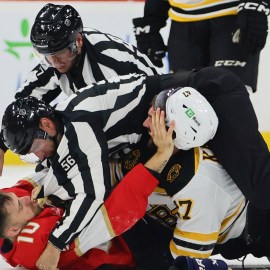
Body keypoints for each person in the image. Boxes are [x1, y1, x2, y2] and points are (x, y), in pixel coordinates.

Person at [2, 66, 270, 266]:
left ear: (175, 135)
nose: (145, 121)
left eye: (154, 116)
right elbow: (101, 176)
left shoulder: (200, 185)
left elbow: (184, 262)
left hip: (250, 231)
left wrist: (55, 244)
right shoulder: (140, 146)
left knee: (262, 188)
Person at [0, 110, 175, 270]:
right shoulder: (38, 244)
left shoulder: (9, 211)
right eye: (20, 206)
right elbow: (114, 212)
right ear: (13, 231)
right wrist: (161, 155)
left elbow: (31, 183)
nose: (23, 198)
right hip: (130, 247)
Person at [0, 2, 158, 175]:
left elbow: (143, 113)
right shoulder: (56, 58)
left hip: (147, 133)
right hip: (112, 130)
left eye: (59, 53)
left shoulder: (109, 64)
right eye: (47, 55)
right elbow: (23, 104)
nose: (54, 62)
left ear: (79, 42)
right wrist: (2, 144)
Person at [132, 0, 269, 92]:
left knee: (229, 100)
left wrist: (256, 4)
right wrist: (152, 15)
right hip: (182, 21)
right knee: (184, 102)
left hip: (231, 15)